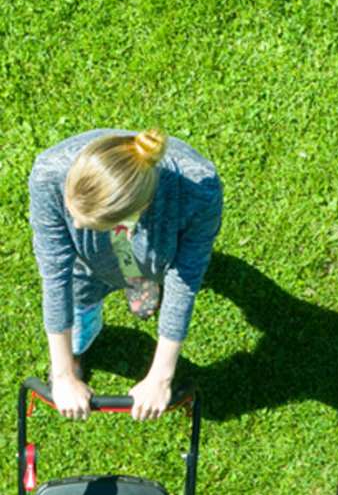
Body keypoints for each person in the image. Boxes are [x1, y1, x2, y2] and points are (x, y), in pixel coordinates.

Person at [29, 128, 223, 420]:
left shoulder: (198, 193)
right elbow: (56, 275)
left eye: (91, 225)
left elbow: (184, 281)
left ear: (139, 210)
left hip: (149, 240)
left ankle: (137, 277)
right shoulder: (49, 175)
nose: (76, 227)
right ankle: (79, 350)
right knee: (81, 299)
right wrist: (63, 374)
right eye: (74, 216)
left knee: (143, 258)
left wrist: (160, 378)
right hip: (88, 266)